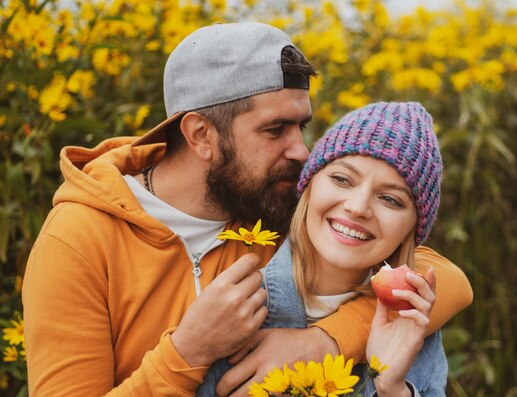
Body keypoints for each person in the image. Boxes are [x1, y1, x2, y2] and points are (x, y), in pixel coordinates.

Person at [22, 23, 473, 396]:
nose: (301, 151)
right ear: (200, 135)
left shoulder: (280, 198)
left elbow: (437, 274)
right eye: (275, 129)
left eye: (302, 125)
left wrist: (324, 342)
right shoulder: (79, 238)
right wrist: (187, 354)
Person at [198, 102, 449, 397]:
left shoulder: (413, 328)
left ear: (412, 229)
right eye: (342, 179)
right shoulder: (236, 307)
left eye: (391, 199)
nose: (357, 208)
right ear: (309, 186)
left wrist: (392, 389)